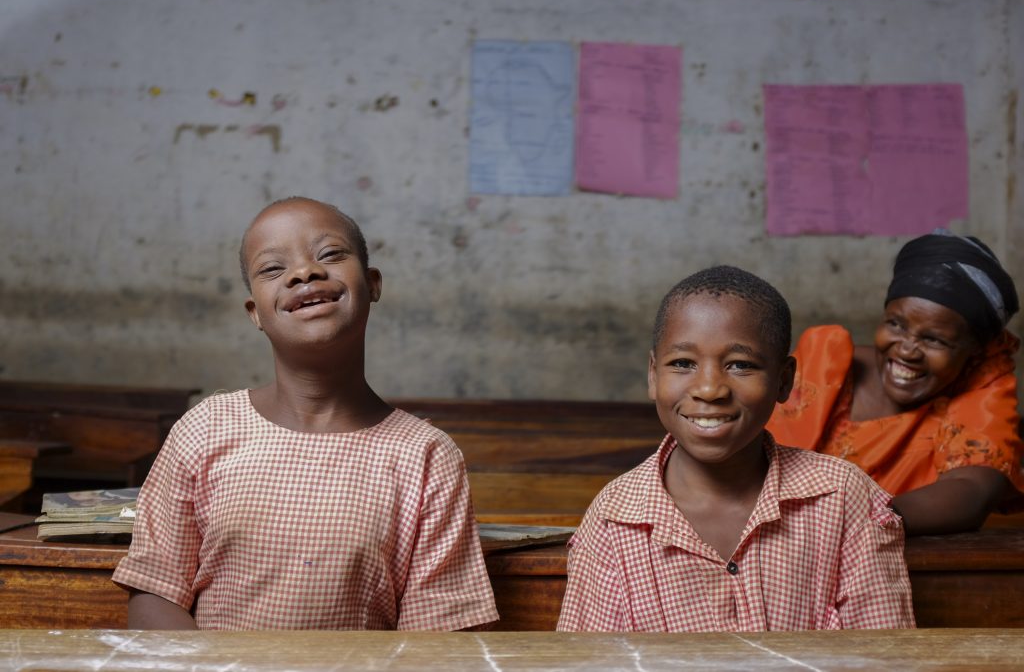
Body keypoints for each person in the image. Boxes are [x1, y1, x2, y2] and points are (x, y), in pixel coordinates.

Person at [112, 197, 499, 630]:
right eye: (273, 269)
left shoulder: (425, 456)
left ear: (372, 284)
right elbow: (155, 593)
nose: (304, 273)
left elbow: (439, 637)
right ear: (255, 313)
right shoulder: (204, 429)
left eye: (330, 255)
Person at [557, 265, 914, 632]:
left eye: (740, 365)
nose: (710, 389)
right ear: (653, 374)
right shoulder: (615, 517)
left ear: (784, 380)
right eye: (683, 363)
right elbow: (591, 662)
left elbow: (885, 656)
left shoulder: (839, 496)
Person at [767, 231, 1023, 536]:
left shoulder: (981, 394)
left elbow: (971, 491)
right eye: (895, 324)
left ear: (974, 351)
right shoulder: (825, 366)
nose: (906, 349)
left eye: (934, 339)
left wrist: (857, 519)